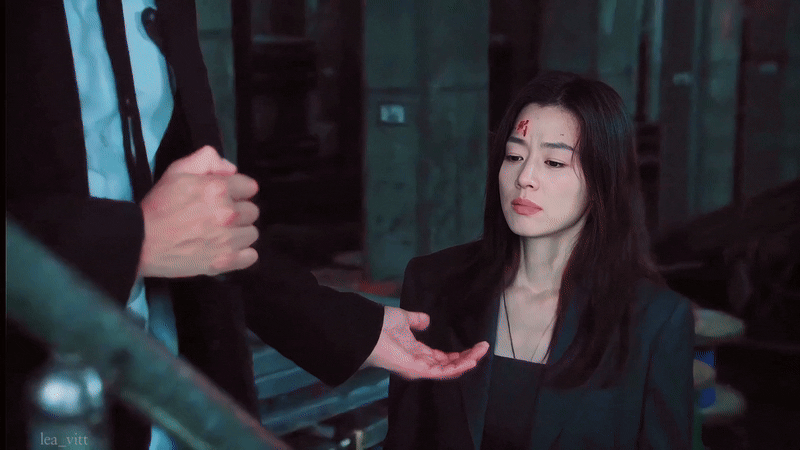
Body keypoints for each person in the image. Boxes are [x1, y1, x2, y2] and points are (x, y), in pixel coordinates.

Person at [5, 1, 488, 449]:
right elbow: (155, 230)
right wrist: (130, 241)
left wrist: (347, 326)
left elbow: (200, 222)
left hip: (181, 400)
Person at [384, 71, 695, 449]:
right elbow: (406, 437)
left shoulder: (654, 321)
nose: (524, 177)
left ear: (602, 180)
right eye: (514, 156)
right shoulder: (433, 284)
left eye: (554, 162)